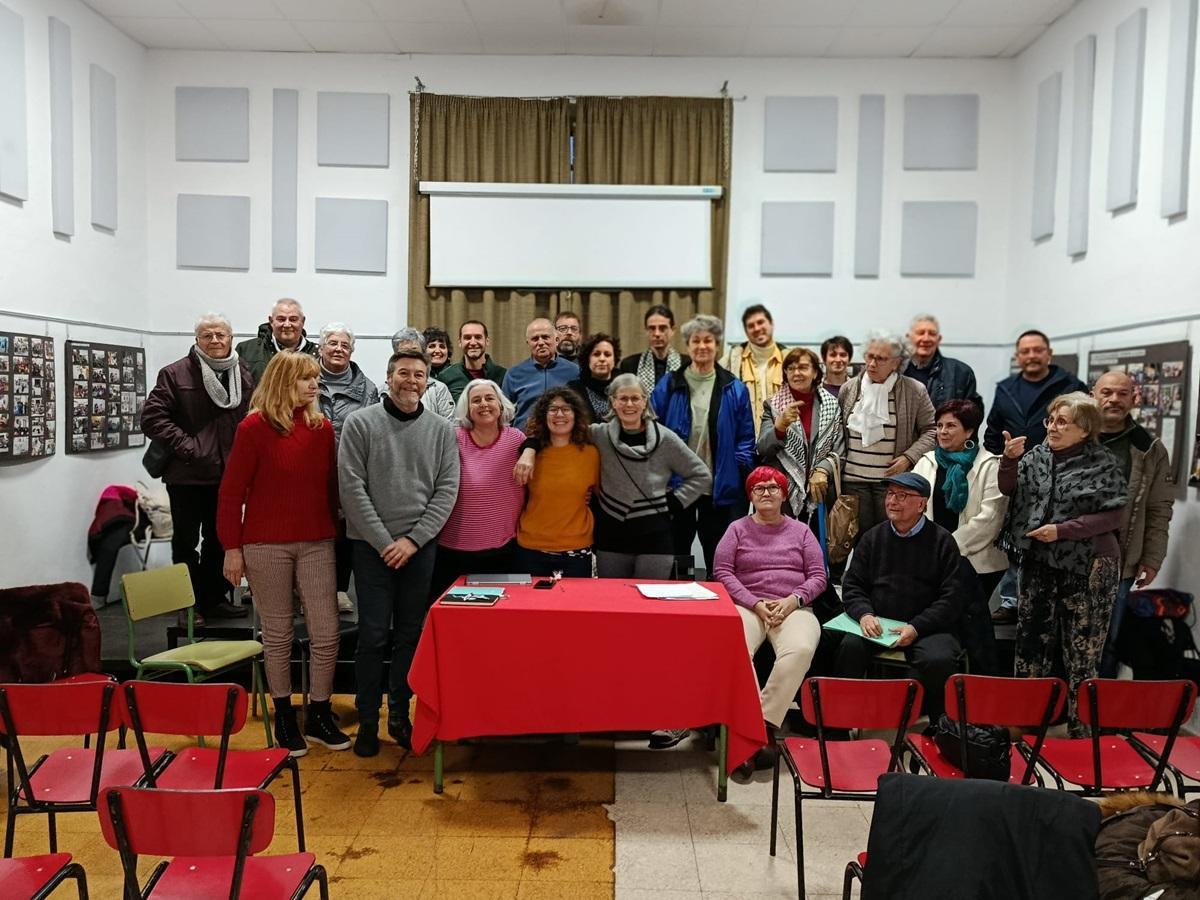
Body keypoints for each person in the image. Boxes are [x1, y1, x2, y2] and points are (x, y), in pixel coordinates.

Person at [217, 352, 350, 756]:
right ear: (282, 382)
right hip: (264, 545)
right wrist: (231, 548)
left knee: (326, 632)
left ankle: (319, 712)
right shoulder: (253, 428)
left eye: (314, 379)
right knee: (278, 634)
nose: (314, 385)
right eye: (304, 379)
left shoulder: (321, 428)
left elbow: (331, 487)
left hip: (316, 541)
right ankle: (285, 717)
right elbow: (231, 493)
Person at [338, 349, 459, 757]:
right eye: (403, 373)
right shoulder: (360, 423)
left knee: (409, 635)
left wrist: (413, 540)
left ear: (428, 382)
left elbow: (447, 490)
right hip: (370, 548)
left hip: (419, 548)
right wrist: (383, 541)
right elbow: (351, 488)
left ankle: (400, 717)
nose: (411, 381)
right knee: (372, 636)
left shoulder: (441, 429)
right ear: (388, 378)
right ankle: (368, 721)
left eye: (419, 375)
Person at [997, 392, 1127, 735]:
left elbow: (1113, 516)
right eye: (1050, 420)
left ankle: (1081, 735)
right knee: (1030, 647)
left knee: (1082, 655)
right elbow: (1009, 489)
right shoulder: (1036, 456)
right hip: (1039, 560)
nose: (1052, 427)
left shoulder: (1104, 463)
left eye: (1062, 422)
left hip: (1090, 565)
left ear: (1084, 429)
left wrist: (1063, 530)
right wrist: (1008, 460)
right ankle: (1026, 728)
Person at [141, 313, 253, 623]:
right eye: (207, 335)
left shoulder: (242, 373)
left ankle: (213, 599)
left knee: (221, 541)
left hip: (227, 475)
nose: (215, 340)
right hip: (186, 476)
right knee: (186, 543)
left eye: (220, 335)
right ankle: (188, 605)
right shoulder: (175, 373)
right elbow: (152, 418)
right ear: (197, 340)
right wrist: (190, 448)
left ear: (230, 338)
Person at [713, 467, 826, 774]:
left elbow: (819, 576)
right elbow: (722, 572)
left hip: (793, 607)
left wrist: (793, 600)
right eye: (759, 488)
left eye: (773, 487)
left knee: (800, 649)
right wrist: (755, 603)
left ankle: (759, 726)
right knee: (735, 647)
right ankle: (752, 734)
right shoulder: (736, 529)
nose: (766, 493)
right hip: (748, 606)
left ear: (784, 495)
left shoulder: (801, 531)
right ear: (750, 496)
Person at [835, 472, 964, 727]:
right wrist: (864, 614)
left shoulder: (942, 541)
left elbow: (952, 598)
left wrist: (916, 627)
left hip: (925, 627)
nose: (892, 501)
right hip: (879, 624)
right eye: (890, 494)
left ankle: (941, 730)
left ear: (922, 503)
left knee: (939, 660)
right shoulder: (873, 537)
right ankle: (839, 725)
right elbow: (853, 585)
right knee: (849, 648)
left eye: (902, 496)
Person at [984, 329, 1086, 623]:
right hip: (1017, 473)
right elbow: (993, 431)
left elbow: (1084, 428)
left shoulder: (1070, 386)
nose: (1031, 356)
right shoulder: (1006, 389)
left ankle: (1046, 602)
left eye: (1037, 350)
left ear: (1049, 354)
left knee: (1051, 539)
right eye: (1025, 351)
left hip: (1060, 474)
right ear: (1017, 356)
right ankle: (1011, 601)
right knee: (1017, 536)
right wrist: (1003, 458)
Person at [652, 314, 756, 577]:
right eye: (695, 341)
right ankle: (680, 591)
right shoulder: (669, 384)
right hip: (679, 485)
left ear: (717, 345)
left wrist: (737, 467)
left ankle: (716, 593)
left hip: (719, 486)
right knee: (679, 549)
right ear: (687, 346)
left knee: (717, 551)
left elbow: (745, 438)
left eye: (708, 340)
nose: (702, 346)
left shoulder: (734, 387)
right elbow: (653, 430)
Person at [913, 400, 1008, 673]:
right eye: (939, 425)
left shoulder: (990, 465)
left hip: (977, 561)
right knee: (941, 622)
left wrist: (946, 549)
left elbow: (990, 518)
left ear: (969, 431)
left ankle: (976, 680)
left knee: (968, 624)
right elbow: (913, 509)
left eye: (951, 426)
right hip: (930, 560)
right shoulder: (926, 462)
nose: (942, 432)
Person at [1093, 371, 1175, 677]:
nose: (1114, 399)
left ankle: (1098, 703)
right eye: (1107, 392)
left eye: (1122, 393)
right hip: (1067, 559)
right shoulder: (1074, 436)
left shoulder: (1149, 448)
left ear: (1134, 398)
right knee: (1060, 636)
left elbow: (1159, 507)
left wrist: (1152, 558)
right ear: (1093, 395)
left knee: (1107, 641)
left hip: (1121, 562)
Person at [431, 380, 526, 598]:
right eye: (476, 400)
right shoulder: (453, 437)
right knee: (453, 612)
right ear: (467, 409)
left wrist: (530, 451)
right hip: (452, 550)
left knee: (495, 613)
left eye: (489, 398)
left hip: (502, 549)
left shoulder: (516, 439)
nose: (484, 404)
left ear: (500, 404)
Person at [838, 332, 937, 537]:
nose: (872, 364)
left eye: (881, 359)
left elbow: (931, 430)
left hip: (893, 484)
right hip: (853, 482)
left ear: (896, 362)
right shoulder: (849, 388)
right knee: (860, 540)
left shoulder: (914, 390)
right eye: (869, 356)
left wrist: (908, 457)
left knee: (892, 538)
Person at [316, 322, 379, 614]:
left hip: (350, 470)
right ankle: (310, 591)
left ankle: (340, 589)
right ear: (320, 348)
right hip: (311, 472)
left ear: (352, 351)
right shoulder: (304, 379)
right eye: (333, 343)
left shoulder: (368, 389)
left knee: (345, 533)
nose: (339, 349)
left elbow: (372, 431)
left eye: (345, 345)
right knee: (315, 533)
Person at [514, 387, 600, 577]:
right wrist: (529, 449)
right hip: (531, 548)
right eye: (553, 409)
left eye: (566, 409)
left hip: (576, 549)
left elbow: (601, 496)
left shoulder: (591, 454)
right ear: (543, 416)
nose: (559, 414)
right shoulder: (530, 454)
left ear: (576, 414)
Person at [757, 347, 844, 520]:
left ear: (815, 372)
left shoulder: (832, 405)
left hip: (820, 492)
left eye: (803, 367)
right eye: (791, 368)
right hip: (782, 494)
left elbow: (840, 451)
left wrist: (822, 470)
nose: (796, 373)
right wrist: (779, 427)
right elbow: (762, 449)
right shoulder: (773, 406)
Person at [719, 303, 786, 438]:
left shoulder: (789, 359)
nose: (757, 328)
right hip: (744, 442)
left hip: (783, 443)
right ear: (746, 331)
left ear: (771, 324)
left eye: (760, 322)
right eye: (751, 326)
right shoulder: (730, 361)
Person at [502, 318, 579, 430]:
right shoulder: (513, 374)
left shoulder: (575, 371)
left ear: (557, 340)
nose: (541, 343)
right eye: (535, 339)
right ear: (528, 343)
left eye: (545, 337)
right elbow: (504, 415)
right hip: (524, 437)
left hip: (564, 436)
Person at [903, 314, 983, 411]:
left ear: (939, 339)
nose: (926, 338)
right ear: (908, 338)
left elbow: (972, 414)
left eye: (932, 334)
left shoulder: (961, 373)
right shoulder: (895, 371)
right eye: (920, 333)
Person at [235, 298, 319, 384]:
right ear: (271, 321)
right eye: (281, 319)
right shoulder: (245, 350)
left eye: (293, 319)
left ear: (303, 321)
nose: (287, 324)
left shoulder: (319, 354)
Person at [618, 304, 690, 393]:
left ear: (673, 330)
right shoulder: (629, 365)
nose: (657, 334)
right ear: (646, 331)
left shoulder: (687, 364)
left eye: (662, 328)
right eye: (652, 328)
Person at [391, 327, 455, 420]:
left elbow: (450, 425)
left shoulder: (438, 389)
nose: (409, 356)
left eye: (414, 351)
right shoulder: (385, 390)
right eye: (404, 352)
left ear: (422, 354)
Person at [439, 320, 507, 403]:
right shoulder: (446, 377)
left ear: (487, 341)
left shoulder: (503, 375)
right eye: (467, 338)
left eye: (478, 337)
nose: (473, 342)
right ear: (460, 342)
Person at [567, 332, 621, 421]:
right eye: (596, 354)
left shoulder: (624, 386)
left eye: (607, 354)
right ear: (587, 359)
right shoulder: (573, 390)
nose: (602, 359)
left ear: (614, 360)